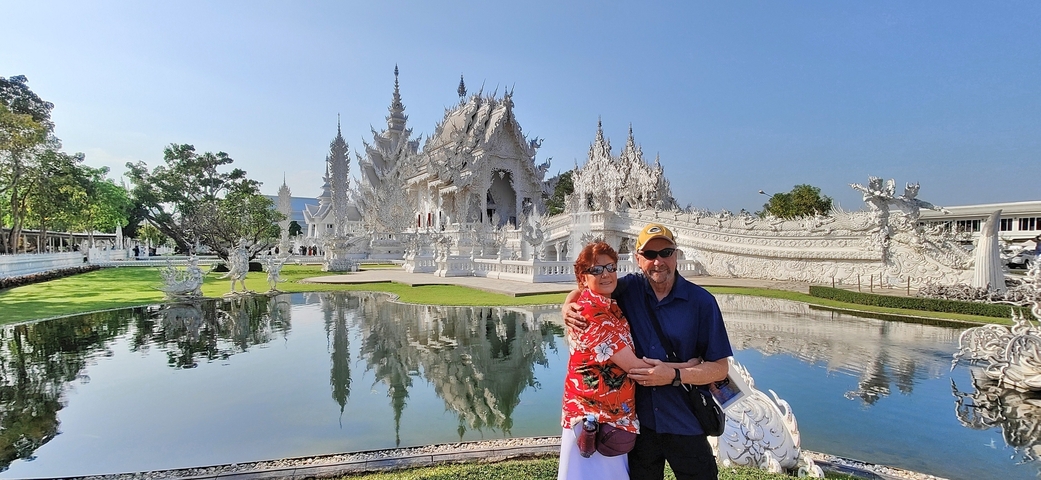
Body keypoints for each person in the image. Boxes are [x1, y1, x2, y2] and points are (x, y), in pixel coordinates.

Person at [562, 223, 733, 480]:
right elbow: (592, 285)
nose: (658, 261)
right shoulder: (629, 289)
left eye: (666, 252)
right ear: (638, 259)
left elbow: (720, 368)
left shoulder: (701, 302)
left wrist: (675, 375)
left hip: (685, 420)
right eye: (650, 255)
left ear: (676, 255)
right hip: (640, 426)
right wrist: (567, 305)